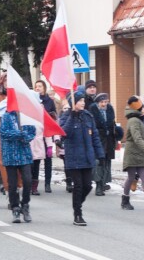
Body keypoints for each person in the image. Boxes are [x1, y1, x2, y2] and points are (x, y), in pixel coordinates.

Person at [59, 91, 104, 226]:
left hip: (87, 156)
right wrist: (72, 115)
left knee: (88, 186)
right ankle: (77, 213)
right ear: (73, 102)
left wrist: (100, 153)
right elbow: (65, 133)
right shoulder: (66, 116)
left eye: (84, 101)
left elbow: (95, 136)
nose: (83, 103)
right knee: (78, 186)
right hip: (73, 157)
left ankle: (77, 203)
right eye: (80, 101)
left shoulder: (88, 116)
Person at [0, 105, 36, 223]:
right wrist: (19, 134)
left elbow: (31, 132)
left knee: (27, 180)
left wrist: (25, 136)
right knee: (12, 183)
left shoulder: (27, 117)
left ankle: (25, 204)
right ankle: (15, 207)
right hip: (10, 154)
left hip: (24, 154)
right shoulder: (6, 116)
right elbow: (4, 133)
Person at [88, 93, 117, 196]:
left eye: (106, 102)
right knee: (99, 163)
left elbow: (112, 124)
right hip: (98, 140)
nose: (104, 104)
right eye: (102, 102)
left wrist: (116, 133)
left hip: (108, 140)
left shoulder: (110, 110)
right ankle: (98, 185)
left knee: (106, 163)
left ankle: (103, 182)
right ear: (97, 102)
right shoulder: (92, 111)